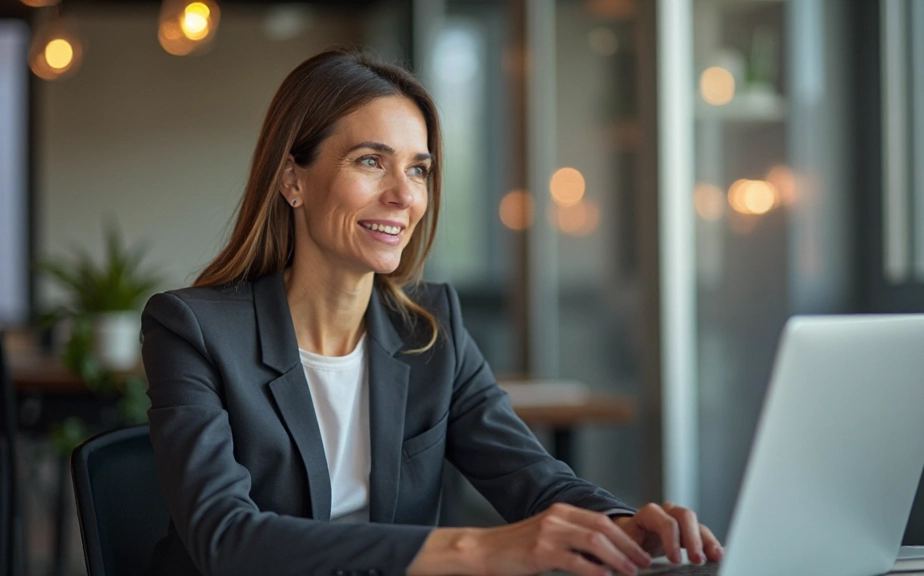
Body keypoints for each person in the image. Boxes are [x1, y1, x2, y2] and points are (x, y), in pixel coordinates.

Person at [141, 49, 723, 576]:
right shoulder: (192, 330)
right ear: (293, 179)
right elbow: (226, 540)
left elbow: (531, 477)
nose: (404, 195)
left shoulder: (429, 326)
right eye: (371, 161)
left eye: (418, 169)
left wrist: (621, 526)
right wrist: (474, 550)